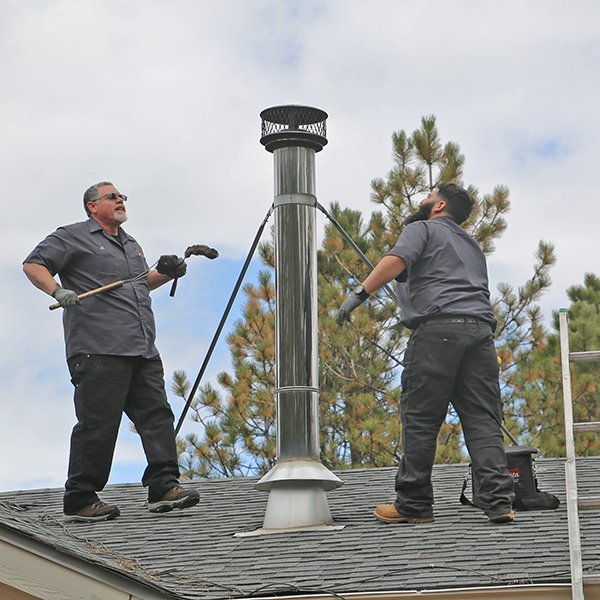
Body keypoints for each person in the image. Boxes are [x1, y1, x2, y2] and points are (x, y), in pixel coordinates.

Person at [337, 182, 515, 524]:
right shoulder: (471, 245)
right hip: (480, 334)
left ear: (439, 205)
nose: (423, 199)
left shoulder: (422, 228)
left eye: (429, 195)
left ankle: (414, 504)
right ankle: (498, 503)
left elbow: (396, 260)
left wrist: (360, 294)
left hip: (438, 333)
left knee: (420, 418)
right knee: (483, 418)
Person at [23, 181, 199, 524]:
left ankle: (164, 486)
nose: (120, 201)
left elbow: (138, 283)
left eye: (122, 197)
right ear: (92, 206)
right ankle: (80, 498)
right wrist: (58, 291)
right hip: (97, 347)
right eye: (113, 197)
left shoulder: (131, 244)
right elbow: (34, 264)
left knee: (157, 416)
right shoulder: (71, 236)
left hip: (142, 346)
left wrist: (166, 273)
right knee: (99, 424)